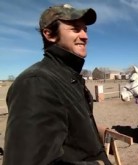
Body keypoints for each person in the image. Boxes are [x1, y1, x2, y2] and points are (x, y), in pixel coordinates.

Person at [4, 4, 111, 165]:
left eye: (85, 29)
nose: (85, 36)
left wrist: (93, 134)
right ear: (49, 34)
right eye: (75, 29)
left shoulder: (68, 76)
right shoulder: (36, 82)